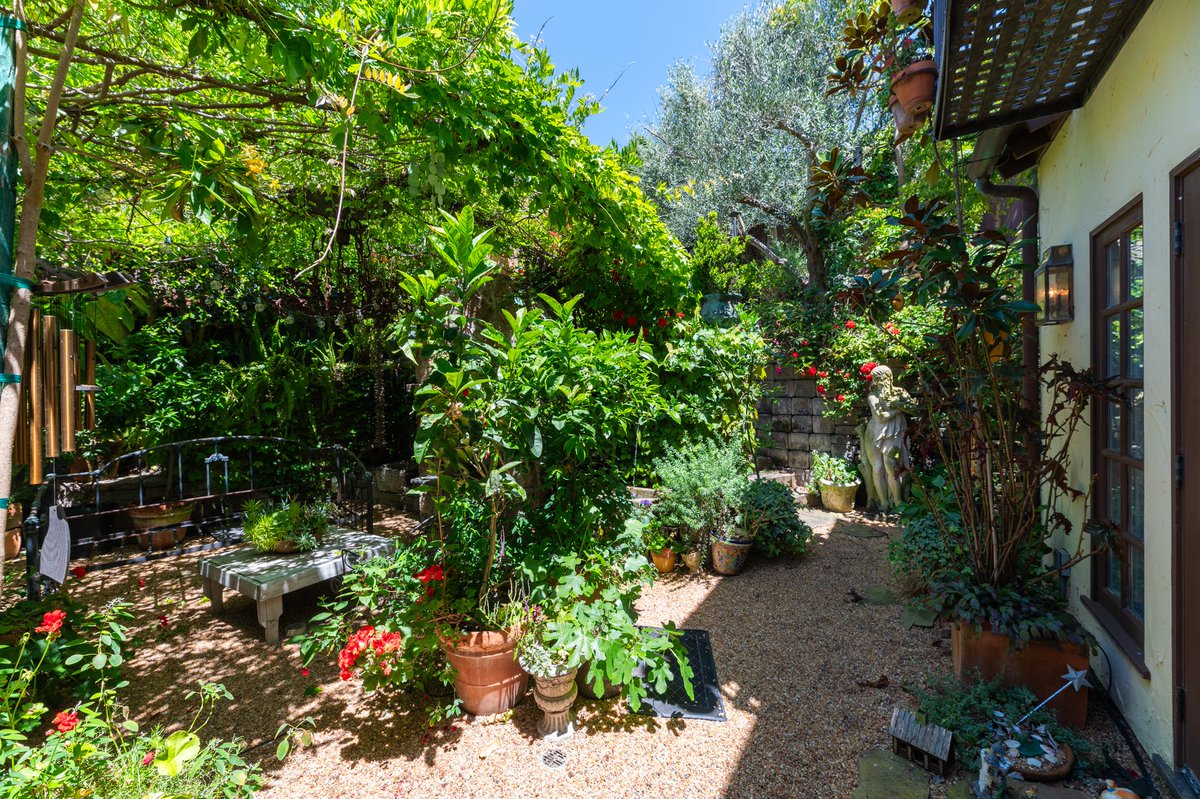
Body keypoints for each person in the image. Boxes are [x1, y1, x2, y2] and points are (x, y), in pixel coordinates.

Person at [862, 364, 912, 511]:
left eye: (878, 378)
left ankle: (897, 502)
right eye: (875, 379)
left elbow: (913, 408)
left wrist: (896, 404)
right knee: (877, 468)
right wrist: (899, 408)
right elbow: (881, 417)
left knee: (892, 467)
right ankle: (883, 502)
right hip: (874, 432)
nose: (876, 382)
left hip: (894, 431)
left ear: (887, 377)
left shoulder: (900, 392)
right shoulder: (873, 396)